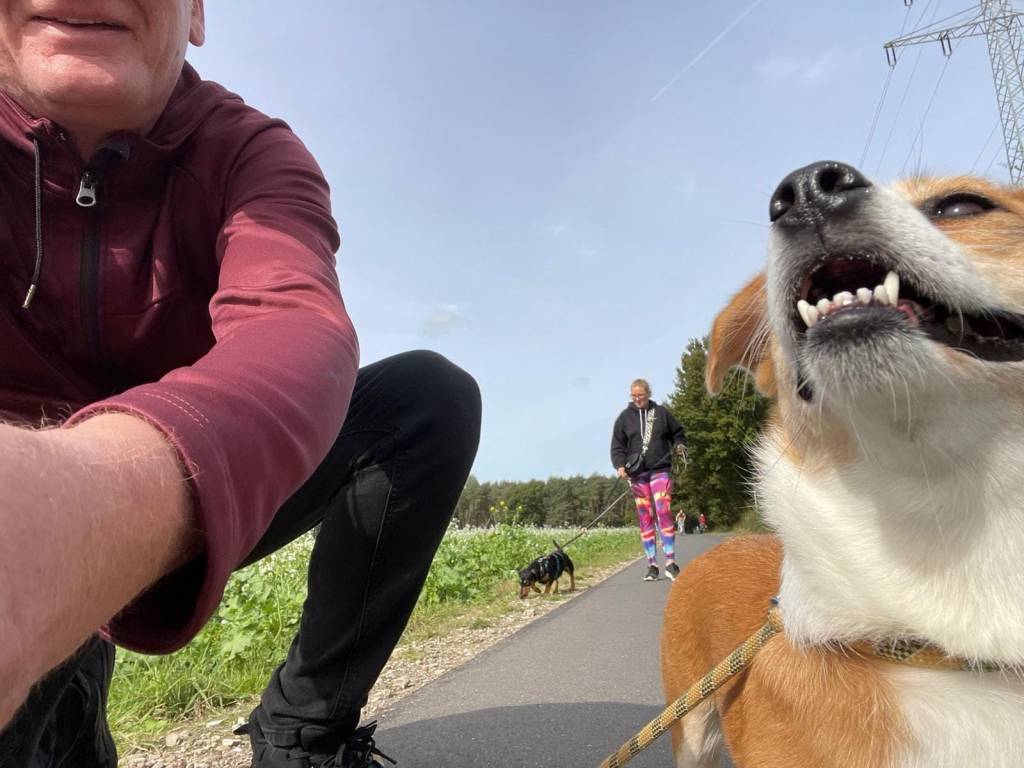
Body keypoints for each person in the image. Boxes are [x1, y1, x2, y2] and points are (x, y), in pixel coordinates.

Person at [0, 4, 481, 768]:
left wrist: (84, 506)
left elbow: (295, 329)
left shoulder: (249, 151)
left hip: (179, 491)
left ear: (195, 13)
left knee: (426, 401)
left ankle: (302, 734)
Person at [610, 379, 686, 582]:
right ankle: (652, 565)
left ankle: (670, 562)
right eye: (634, 396)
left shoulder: (661, 413)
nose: (637, 399)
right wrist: (619, 465)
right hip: (637, 474)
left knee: (663, 511)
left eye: (640, 395)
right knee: (645, 517)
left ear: (648, 394)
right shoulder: (624, 418)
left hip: (660, 470)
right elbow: (617, 446)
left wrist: (679, 444)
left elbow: (678, 432)